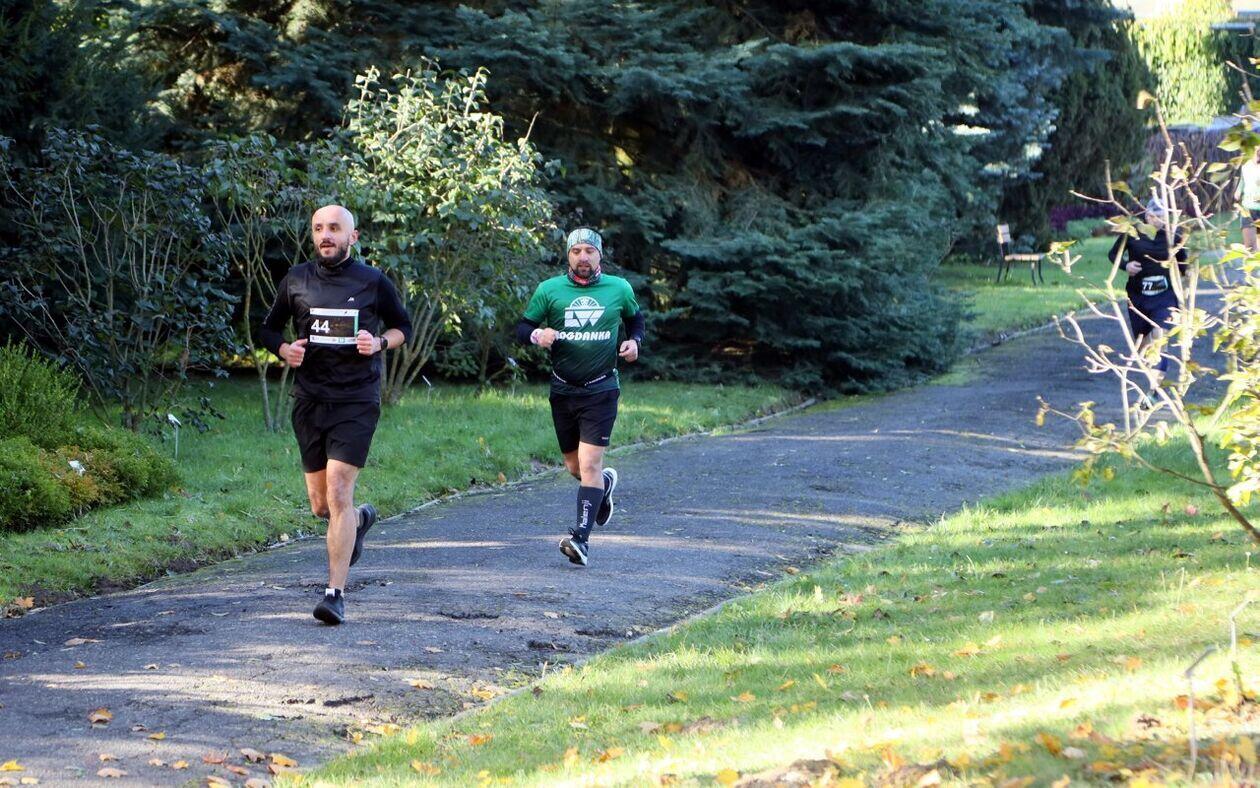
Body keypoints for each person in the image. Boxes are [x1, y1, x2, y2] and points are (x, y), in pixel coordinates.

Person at [259, 205, 412, 625]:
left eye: (334, 228)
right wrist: (283, 349)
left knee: (340, 491)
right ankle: (359, 521)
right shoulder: (296, 279)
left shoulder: (372, 281)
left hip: (356, 400)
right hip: (310, 401)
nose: (325, 235)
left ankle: (334, 595)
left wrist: (379, 343)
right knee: (321, 505)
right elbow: (268, 328)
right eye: (318, 229)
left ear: (352, 236)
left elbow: (403, 327)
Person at [515, 227, 645, 567]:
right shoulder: (549, 290)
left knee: (589, 464)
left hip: (601, 388)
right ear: (568, 256)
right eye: (576, 251)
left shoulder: (619, 288)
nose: (583, 257)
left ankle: (581, 541)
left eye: (589, 250)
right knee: (574, 467)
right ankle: (604, 486)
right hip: (562, 390)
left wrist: (634, 342)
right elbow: (522, 327)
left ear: (600, 255)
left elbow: (636, 320)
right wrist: (537, 335)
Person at [1109, 197, 1186, 389]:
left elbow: (1184, 266)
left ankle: (1154, 390)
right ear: (1147, 216)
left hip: (1165, 297)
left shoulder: (1173, 237)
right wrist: (1126, 265)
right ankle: (1151, 371)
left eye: (1164, 216)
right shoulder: (1132, 233)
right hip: (1138, 297)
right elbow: (1113, 254)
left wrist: (1183, 285)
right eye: (1156, 216)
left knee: (1160, 339)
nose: (1160, 220)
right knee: (1142, 347)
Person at [1237, 146, 1260, 252]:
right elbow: (1243, 179)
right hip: (1247, 208)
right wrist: (1238, 190)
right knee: (1250, 249)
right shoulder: (1246, 164)